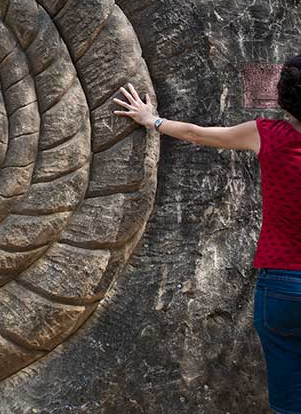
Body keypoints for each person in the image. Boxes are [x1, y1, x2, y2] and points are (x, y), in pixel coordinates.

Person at [113, 55, 301, 414]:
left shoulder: (267, 135)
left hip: (280, 289)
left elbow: (198, 134)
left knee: (289, 401)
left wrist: (152, 119)